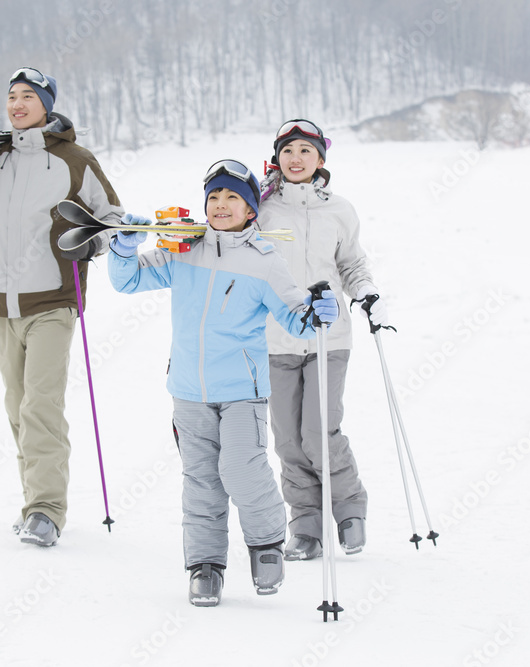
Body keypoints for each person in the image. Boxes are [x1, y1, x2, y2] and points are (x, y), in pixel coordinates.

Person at [107, 159, 339, 606]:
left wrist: (316, 313)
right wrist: (123, 249)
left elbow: (297, 319)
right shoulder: (183, 250)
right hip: (188, 391)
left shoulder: (266, 262)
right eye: (214, 196)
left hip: (242, 392)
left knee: (241, 469)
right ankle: (205, 565)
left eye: (233, 197)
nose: (221, 204)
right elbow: (130, 280)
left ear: (252, 209)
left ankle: (267, 544)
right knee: (200, 480)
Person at [0, 66, 123, 548]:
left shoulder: (75, 160)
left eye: (27, 96)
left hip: (52, 300)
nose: (17, 104)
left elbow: (112, 217)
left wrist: (90, 246)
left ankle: (47, 511)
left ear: (46, 104)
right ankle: (32, 502)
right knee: (18, 407)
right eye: (11, 96)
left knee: (40, 405)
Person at [255, 119, 389, 561]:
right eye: (288, 150)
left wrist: (366, 293)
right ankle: (305, 526)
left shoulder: (339, 210)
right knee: (288, 440)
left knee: (318, 431)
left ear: (320, 160)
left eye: (305, 151)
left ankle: (349, 510)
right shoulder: (261, 209)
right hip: (275, 339)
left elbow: (351, 263)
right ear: (277, 158)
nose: (296, 158)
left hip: (328, 337)